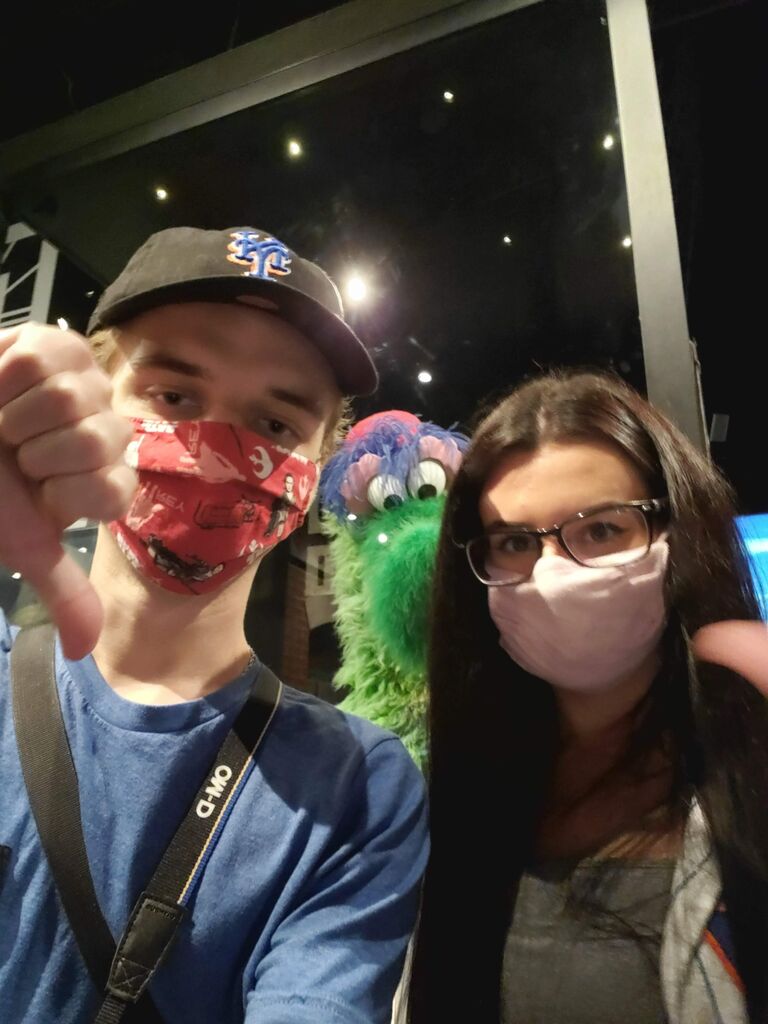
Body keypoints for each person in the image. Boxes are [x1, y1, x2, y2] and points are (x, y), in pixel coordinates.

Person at [0, 226, 428, 1024]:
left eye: (275, 427)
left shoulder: (357, 791)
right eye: (174, 397)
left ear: (313, 476)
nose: (212, 454)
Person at [406, 370, 768, 1024]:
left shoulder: (752, 776)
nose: (551, 574)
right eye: (515, 542)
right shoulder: (461, 793)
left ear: (676, 533)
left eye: (601, 530)